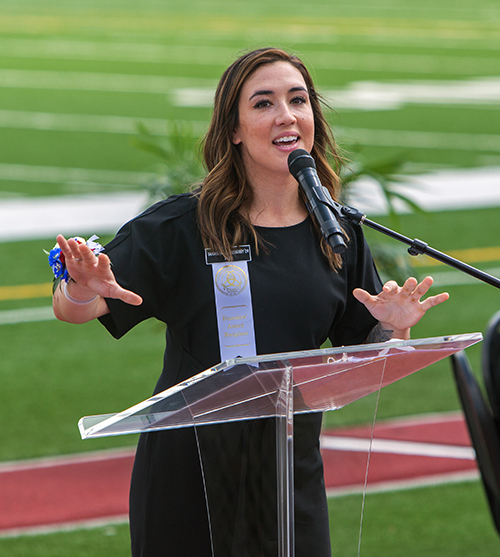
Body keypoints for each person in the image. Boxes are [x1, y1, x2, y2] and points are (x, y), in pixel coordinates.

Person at [52, 47, 449, 557]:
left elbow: (363, 353)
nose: (285, 115)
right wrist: (81, 287)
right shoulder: (182, 226)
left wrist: (394, 330)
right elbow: (75, 307)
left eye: (298, 100)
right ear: (234, 129)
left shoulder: (338, 230)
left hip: (289, 473)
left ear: (313, 119)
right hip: (189, 472)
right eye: (263, 104)